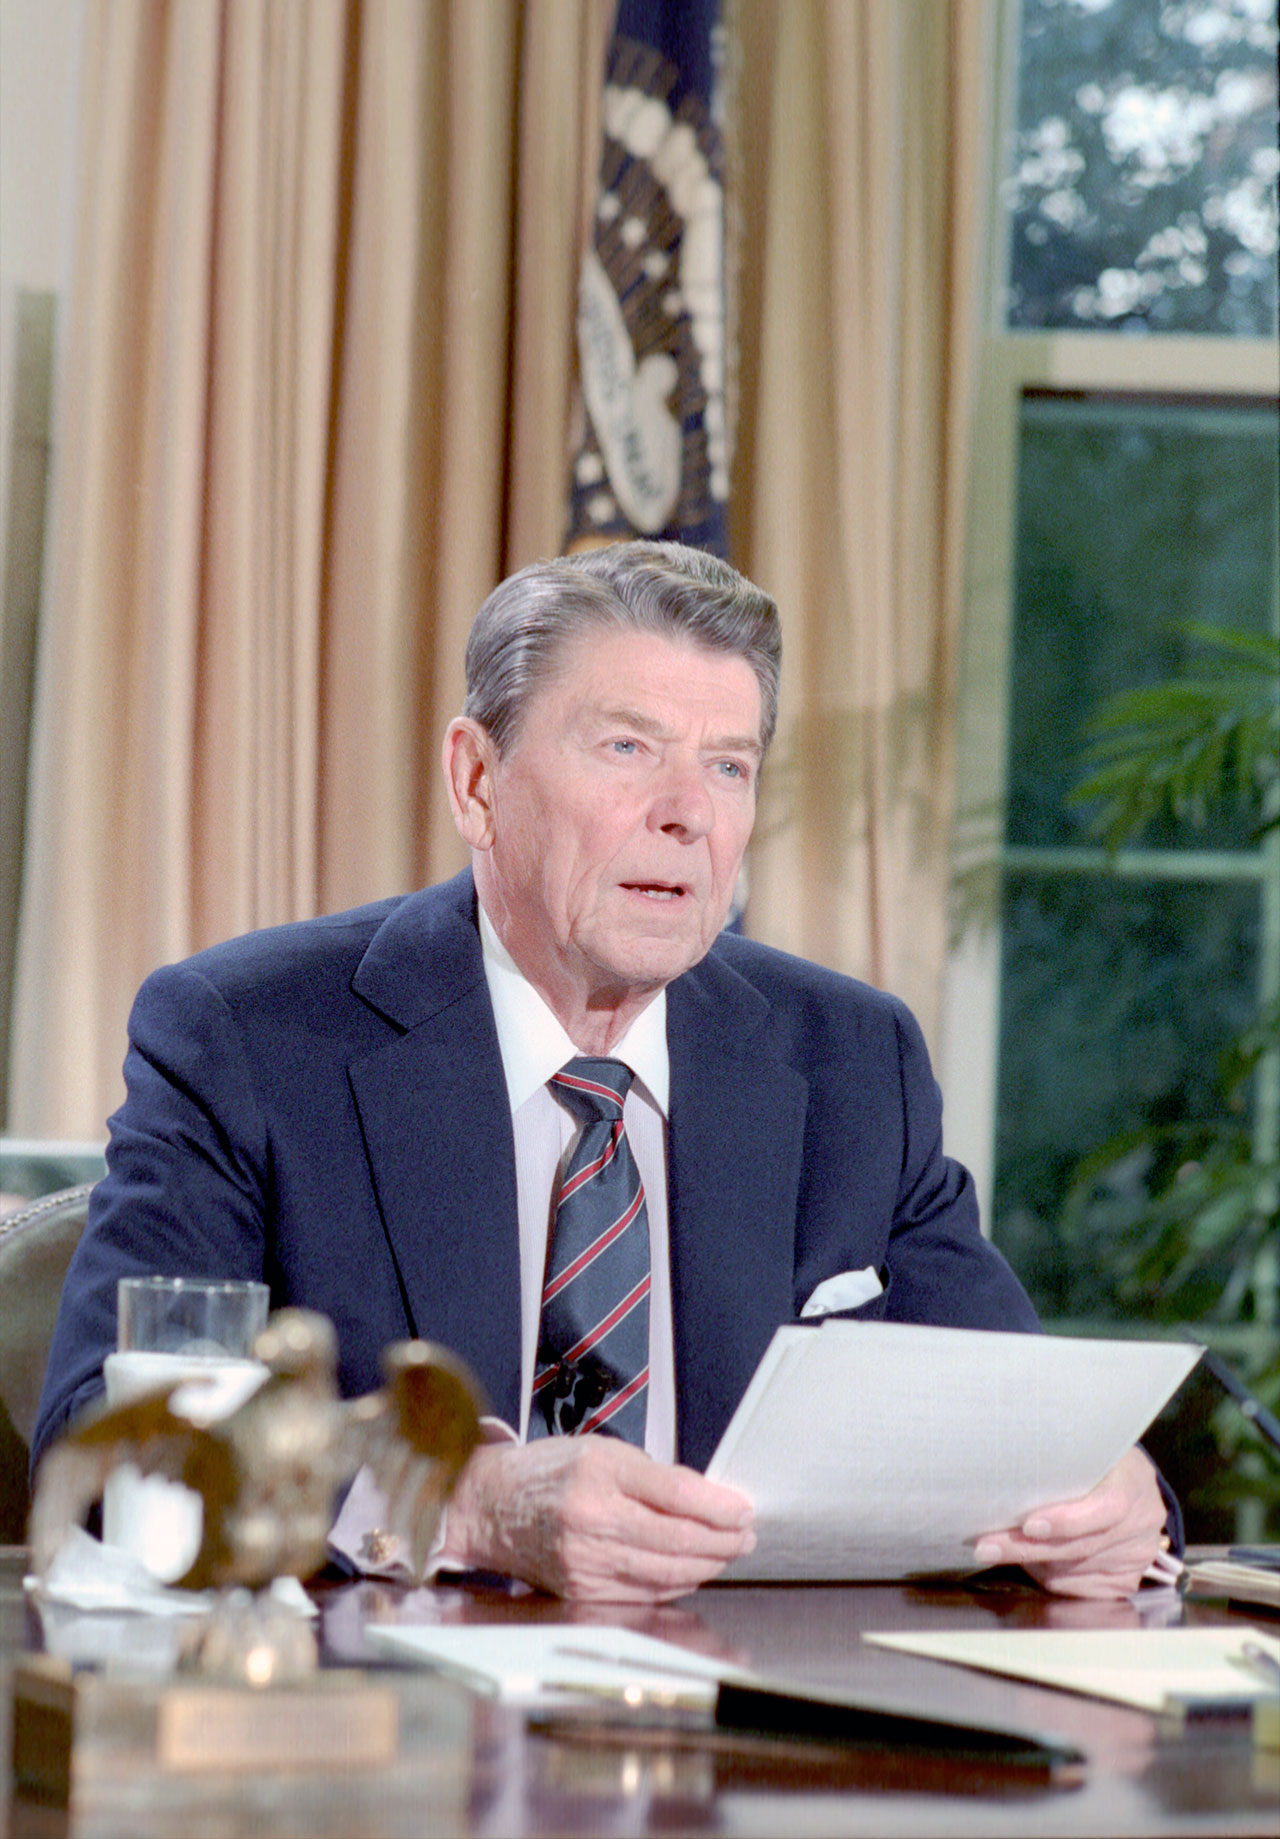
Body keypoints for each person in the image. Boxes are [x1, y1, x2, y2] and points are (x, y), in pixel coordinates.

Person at [34, 541, 1171, 1603]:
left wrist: (1114, 1502)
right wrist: (459, 1505)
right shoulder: (248, 1037)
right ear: (476, 780)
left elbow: (1036, 1428)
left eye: (725, 765)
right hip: (390, 1738)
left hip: (756, 1743)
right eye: (625, 748)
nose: (685, 816)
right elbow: (107, 1446)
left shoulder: (849, 1062)